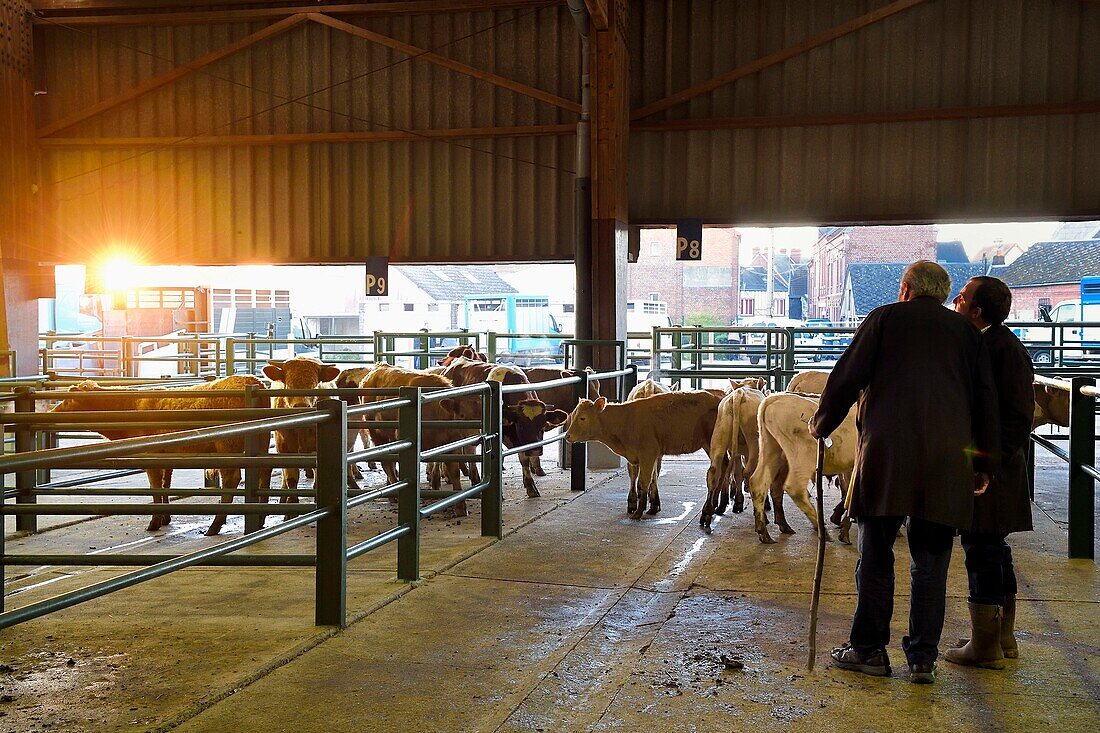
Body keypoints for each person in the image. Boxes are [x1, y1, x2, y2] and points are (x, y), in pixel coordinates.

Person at [809, 260, 995, 684]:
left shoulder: (884, 319)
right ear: (942, 294)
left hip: (887, 457)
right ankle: (923, 658)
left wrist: (821, 424)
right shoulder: (968, 334)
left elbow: (847, 376)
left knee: (875, 555)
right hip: (947, 464)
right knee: (931, 563)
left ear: (907, 288)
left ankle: (869, 649)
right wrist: (982, 463)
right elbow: (985, 403)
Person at [946, 276, 1034, 669]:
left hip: (992, 470)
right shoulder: (1001, 344)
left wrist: (984, 465)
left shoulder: (994, 348)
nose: (955, 300)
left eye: (962, 297)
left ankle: (985, 646)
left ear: (975, 311)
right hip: (1000, 466)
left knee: (980, 547)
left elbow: (1015, 415)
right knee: (995, 549)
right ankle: (1002, 637)